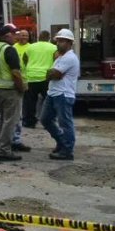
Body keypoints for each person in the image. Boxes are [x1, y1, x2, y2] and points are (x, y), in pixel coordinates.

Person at [0, 25, 28, 161]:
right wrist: (22, 87)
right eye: (14, 34)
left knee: (1, 119)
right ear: (7, 36)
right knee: (10, 121)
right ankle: (4, 150)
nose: (16, 37)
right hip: (10, 90)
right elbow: (16, 73)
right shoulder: (9, 50)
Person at [42, 29, 80, 160]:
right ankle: (62, 142)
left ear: (69, 43)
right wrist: (52, 73)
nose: (58, 43)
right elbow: (50, 75)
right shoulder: (60, 57)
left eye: (62, 41)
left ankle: (67, 150)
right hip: (53, 93)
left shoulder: (69, 58)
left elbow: (55, 75)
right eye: (57, 40)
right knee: (45, 119)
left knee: (65, 123)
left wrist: (52, 73)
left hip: (63, 94)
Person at [22, 31, 58, 129]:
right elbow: (57, 59)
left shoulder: (30, 47)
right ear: (49, 38)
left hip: (31, 77)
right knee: (48, 101)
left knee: (30, 102)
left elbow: (24, 59)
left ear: (38, 37)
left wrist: (29, 66)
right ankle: (49, 122)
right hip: (45, 77)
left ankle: (29, 122)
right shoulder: (53, 47)